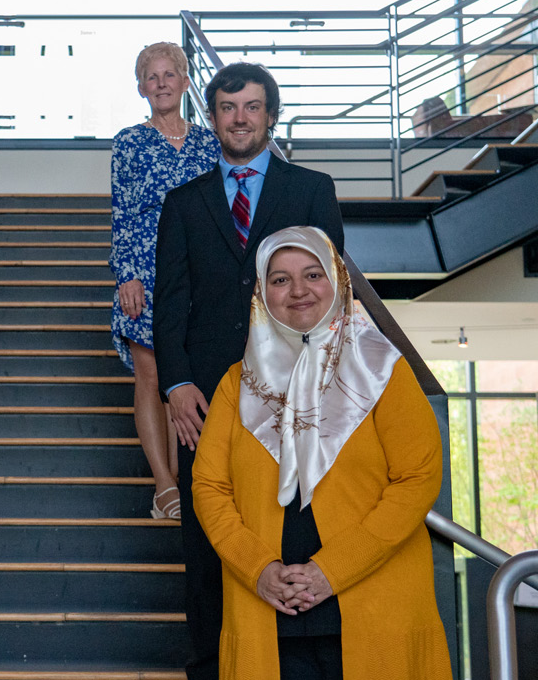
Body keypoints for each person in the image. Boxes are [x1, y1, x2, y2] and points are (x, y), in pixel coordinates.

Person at [153, 61, 344, 680]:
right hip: (206, 396)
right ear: (212, 118)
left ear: (271, 115)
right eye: (229, 108)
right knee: (210, 529)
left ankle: (290, 658)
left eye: (253, 107)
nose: (241, 118)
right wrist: (176, 384)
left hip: (296, 388)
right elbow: (170, 299)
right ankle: (212, 662)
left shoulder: (312, 189)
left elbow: (332, 291)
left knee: (291, 521)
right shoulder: (183, 202)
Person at [191, 226, 450, 679]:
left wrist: (333, 569)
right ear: (261, 293)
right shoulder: (237, 384)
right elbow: (209, 487)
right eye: (279, 280)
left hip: (376, 603)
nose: (298, 291)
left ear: (338, 281)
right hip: (268, 611)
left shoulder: (382, 370)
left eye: (313, 274)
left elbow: (418, 476)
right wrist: (259, 568)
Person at [109, 42, 220, 520]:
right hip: (145, 273)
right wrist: (127, 275)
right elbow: (123, 212)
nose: (160, 83)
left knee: (190, 375)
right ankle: (164, 486)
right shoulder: (129, 142)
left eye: (169, 74)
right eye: (151, 77)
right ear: (141, 88)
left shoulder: (210, 142)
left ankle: (196, 480)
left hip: (199, 273)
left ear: (185, 81)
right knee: (152, 375)